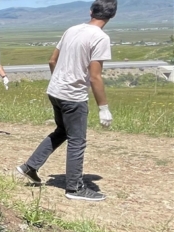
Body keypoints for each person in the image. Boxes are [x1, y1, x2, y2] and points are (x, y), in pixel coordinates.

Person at [16, 0, 116, 201]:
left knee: (62, 131)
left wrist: (59, 81)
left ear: (90, 11)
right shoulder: (101, 38)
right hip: (73, 96)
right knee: (77, 141)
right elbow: (95, 76)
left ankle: (30, 166)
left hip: (55, 91)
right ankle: (75, 188)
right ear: (112, 16)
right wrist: (103, 108)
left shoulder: (72, 29)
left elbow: (52, 60)